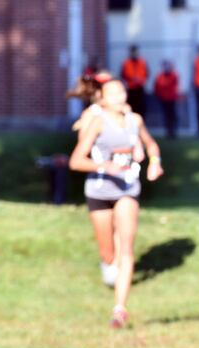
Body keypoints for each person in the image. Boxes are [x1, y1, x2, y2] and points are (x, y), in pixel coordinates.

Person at [69, 79, 164, 328]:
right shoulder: (98, 122)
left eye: (122, 91)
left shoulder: (135, 120)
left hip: (127, 189)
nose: (120, 97)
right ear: (102, 99)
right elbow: (76, 161)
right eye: (114, 94)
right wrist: (105, 166)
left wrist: (154, 162)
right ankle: (109, 264)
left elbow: (151, 144)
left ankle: (120, 309)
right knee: (109, 254)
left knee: (126, 250)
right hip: (99, 190)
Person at [154, 60, 180, 139]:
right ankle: (168, 131)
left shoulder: (173, 75)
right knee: (166, 116)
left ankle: (173, 131)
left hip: (171, 99)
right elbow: (157, 87)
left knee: (172, 116)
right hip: (163, 99)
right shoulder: (160, 76)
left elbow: (171, 85)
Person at [121, 45, 148, 118]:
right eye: (133, 52)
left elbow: (146, 74)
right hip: (131, 90)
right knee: (131, 108)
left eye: (135, 51)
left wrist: (140, 80)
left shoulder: (142, 62)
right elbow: (123, 75)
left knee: (141, 109)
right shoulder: (126, 63)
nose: (134, 53)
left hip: (140, 89)